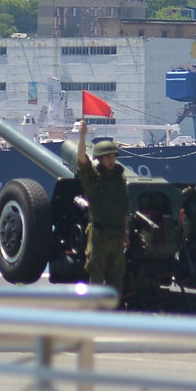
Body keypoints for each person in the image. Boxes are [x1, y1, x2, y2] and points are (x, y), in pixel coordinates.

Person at [76, 121, 129, 299]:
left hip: (117, 236)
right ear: (99, 158)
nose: (111, 160)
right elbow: (82, 161)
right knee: (96, 279)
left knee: (116, 281)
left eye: (113, 156)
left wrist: (126, 233)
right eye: (107, 157)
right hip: (99, 235)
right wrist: (82, 135)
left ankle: (113, 318)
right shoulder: (93, 179)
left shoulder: (120, 180)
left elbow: (124, 209)